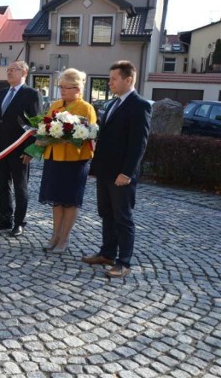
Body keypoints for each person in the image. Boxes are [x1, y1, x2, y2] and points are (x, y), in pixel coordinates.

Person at [82, 60, 151, 278]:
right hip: (105, 172)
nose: (109, 82)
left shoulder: (140, 105)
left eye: (114, 79)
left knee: (123, 217)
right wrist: (95, 168)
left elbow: (139, 143)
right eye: (110, 78)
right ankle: (107, 253)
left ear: (128, 79)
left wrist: (127, 173)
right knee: (107, 214)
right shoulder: (113, 104)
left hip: (121, 174)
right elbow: (105, 138)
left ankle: (124, 262)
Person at [37, 68, 97, 253]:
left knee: (69, 201)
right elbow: (45, 126)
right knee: (56, 200)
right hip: (54, 157)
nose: (62, 90)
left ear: (77, 88)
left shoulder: (86, 108)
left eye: (66, 87)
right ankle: (55, 235)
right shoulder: (55, 105)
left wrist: (70, 137)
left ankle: (65, 238)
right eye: (60, 86)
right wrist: (43, 135)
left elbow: (91, 135)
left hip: (75, 161)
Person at [0, 61, 42, 237]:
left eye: (13, 69)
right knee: (2, 185)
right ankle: (5, 219)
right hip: (2, 149)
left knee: (20, 187)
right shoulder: (2, 93)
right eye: (8, 69)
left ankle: (19, 222)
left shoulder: (32, 94)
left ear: (24, 72)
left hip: (20, 150)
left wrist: (30, 151)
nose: (9, 72)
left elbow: (36, 125)